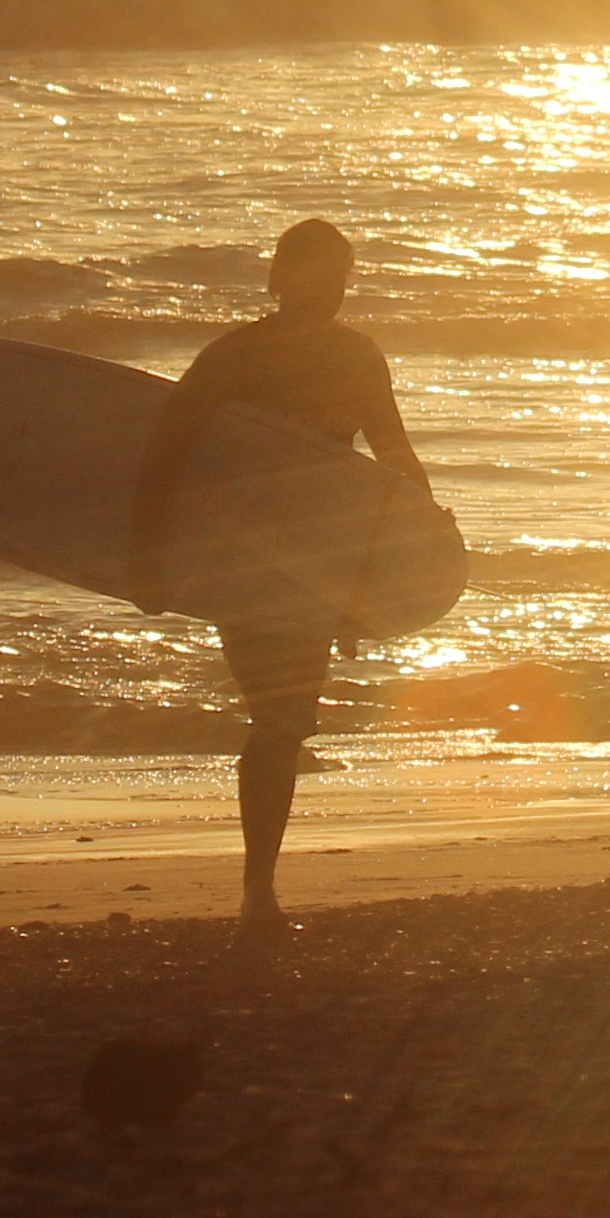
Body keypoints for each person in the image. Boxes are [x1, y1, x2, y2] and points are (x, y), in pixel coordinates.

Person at [127, 218, 431, 943]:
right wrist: (145, 557)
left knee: (286, 721)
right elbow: (163, 456)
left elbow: (391, 457)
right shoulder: (236, 357)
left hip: (322, 562)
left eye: (340, 277)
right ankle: (257, 892)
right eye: (314, 276)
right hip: (247, 560)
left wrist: (412, 549)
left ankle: (259, 891)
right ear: (279, 280)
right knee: (280, 717)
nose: (329, 291)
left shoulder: (358, 358)